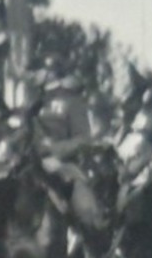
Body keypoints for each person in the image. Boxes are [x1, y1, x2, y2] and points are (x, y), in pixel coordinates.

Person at [28, 66, 107, 236]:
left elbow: (83, 139)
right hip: (34, 162)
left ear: (50, 73)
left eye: (37, 70)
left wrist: (54, 152)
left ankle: (90, 241)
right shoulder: (35, 105)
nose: (32, 74)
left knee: (83, 206)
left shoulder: (73, 101)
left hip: (65, 164)